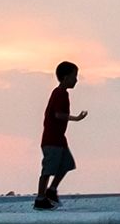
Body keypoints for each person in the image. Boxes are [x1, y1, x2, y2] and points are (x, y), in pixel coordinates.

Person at [32, 61, 86, 209]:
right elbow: (58, 114)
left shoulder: (64, 93)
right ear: (66, 77)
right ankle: (40, 198)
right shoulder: (59, 93)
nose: (76, 80)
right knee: (48, 169)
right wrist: (76, 118)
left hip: (60, 139)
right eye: (74, 76)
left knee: (67, 164)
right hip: (51, 139)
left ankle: (52, 190)